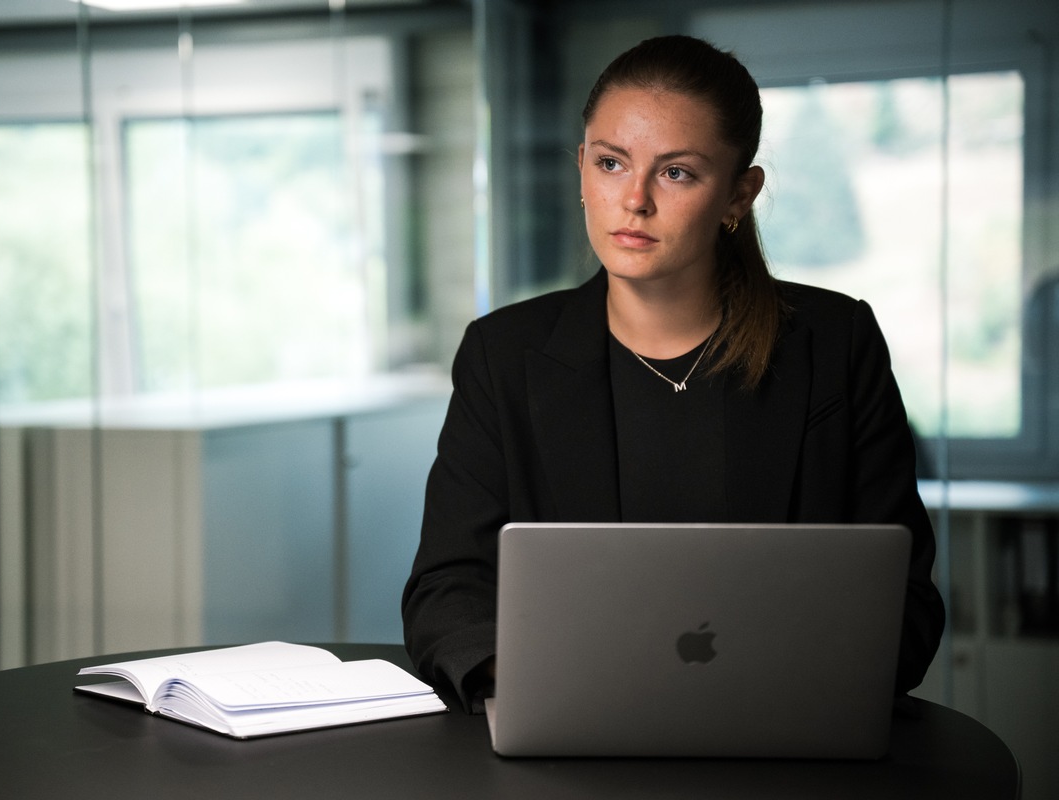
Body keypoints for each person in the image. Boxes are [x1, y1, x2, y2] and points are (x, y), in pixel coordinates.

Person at [401, 35, 946, 712]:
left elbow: (906, 601)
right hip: (570, 737)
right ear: (581, 170)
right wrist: (521, 686)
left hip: (785, 739)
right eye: (610, 163)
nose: (634, 200)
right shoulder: (502, 354)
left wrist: (790, 689)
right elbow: (447, 588)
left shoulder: (836, 344)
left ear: (738, 195)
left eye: (676, 173)